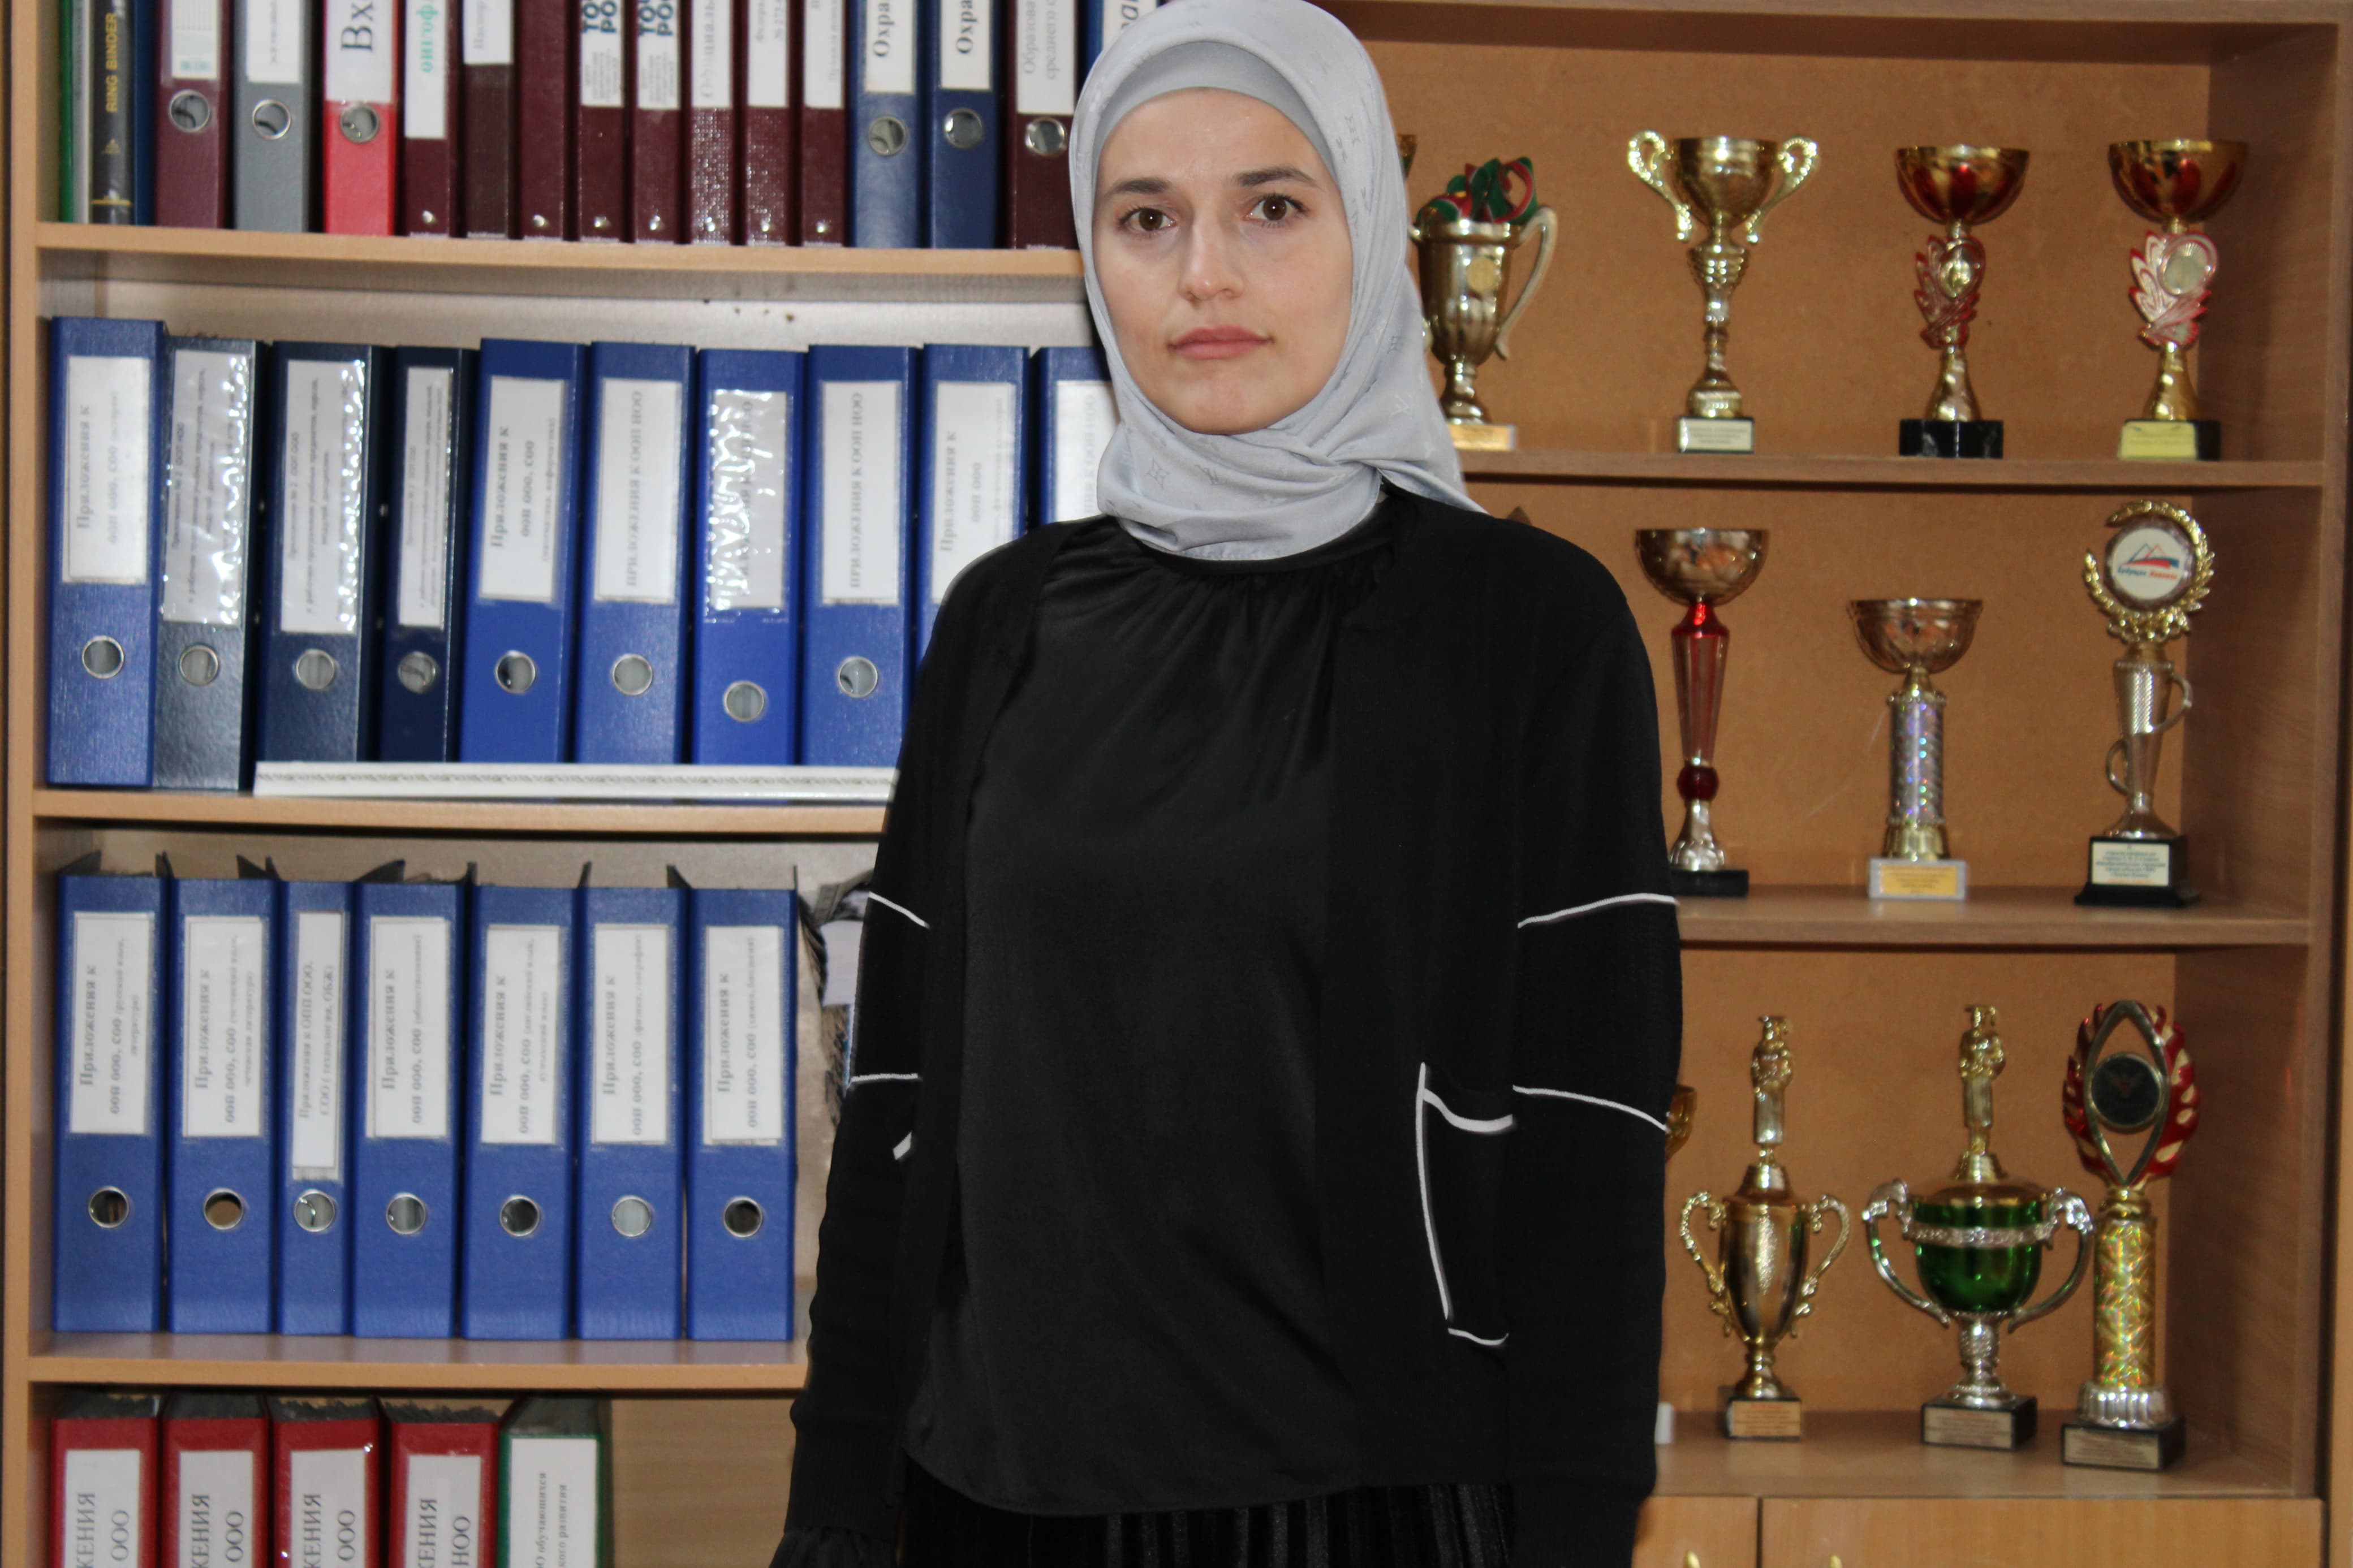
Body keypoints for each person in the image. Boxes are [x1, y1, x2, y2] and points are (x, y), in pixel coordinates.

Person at [773, 2, 1681, 1563]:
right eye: (1147, 219)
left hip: (1364, 1509)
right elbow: (901, 1099)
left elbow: (1589, 1134)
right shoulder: (1005, 618)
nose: (1204, 273)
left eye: (1270, 206)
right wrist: (835, 1511)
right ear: (1095, 258)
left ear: (1368, 229)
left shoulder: (1525, 625)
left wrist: (1578, 1538)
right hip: (989, 1501)